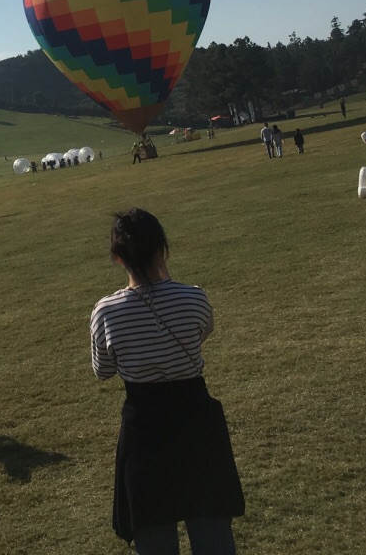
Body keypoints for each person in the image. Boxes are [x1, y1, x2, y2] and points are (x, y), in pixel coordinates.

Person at [90, 210, 243, 554]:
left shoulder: (106, 311)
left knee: (154, 534)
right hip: (197, 423)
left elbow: (103, 370)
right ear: (162, 249)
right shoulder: (193, 297)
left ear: (117, 258)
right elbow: (203, 333)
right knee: (213, 532)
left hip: (145, 432)